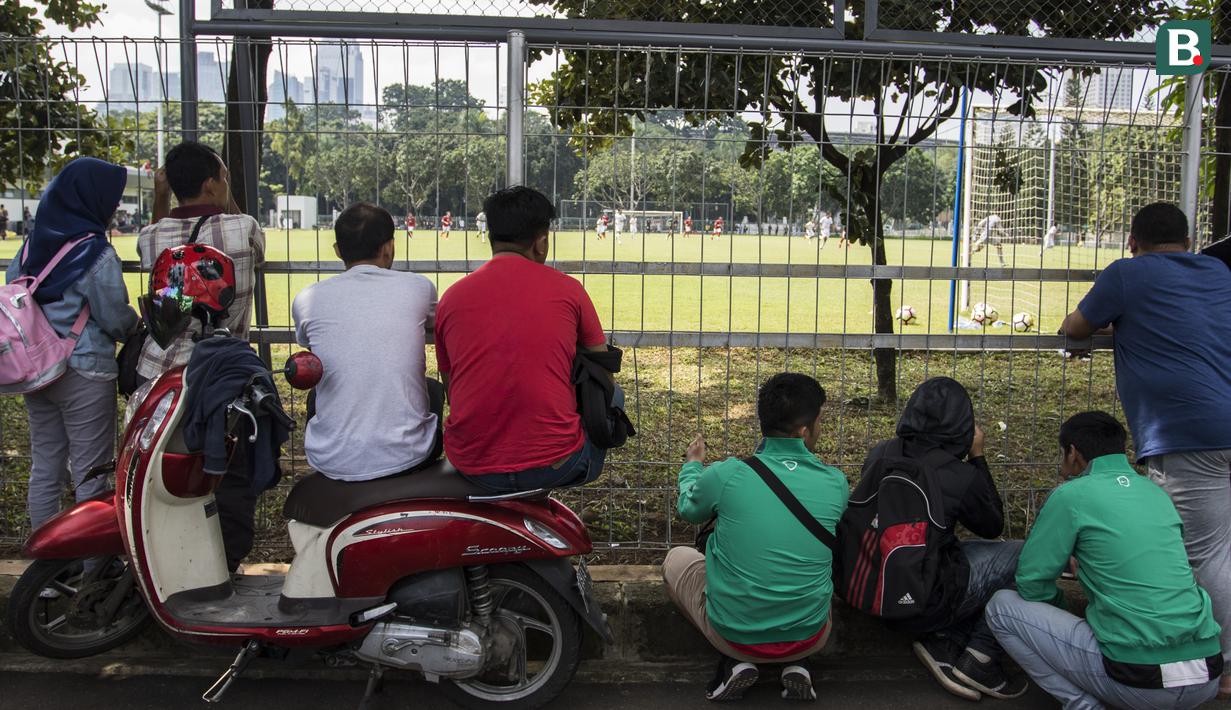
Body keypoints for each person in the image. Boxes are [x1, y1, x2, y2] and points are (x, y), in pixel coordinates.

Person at [1061, 202, 1231, 689]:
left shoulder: (1127, 275)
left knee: (1203, 553)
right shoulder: (1217, 272)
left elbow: (1076, 327)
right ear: (1189, 239)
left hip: (1189, 433)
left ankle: (1218, 668)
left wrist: (1107, 326)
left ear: (1132, 242)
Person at [986, 412, 1222, 710]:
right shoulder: (1156, 493)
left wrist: (1063, 610)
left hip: (1138, 681)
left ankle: (1083, 705)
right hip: (1206, 674)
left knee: (1000, 607)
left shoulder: (1071, 495)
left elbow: (1032, 582)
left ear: (1072, 452)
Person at [663, 373, 848, 701]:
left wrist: (692, 466)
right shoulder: (835, 483)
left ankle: (735, 660)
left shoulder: (727, 474)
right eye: (820, 421)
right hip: (810, 634)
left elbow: (688, 510)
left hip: (734, 635)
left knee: (676, 559)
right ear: (804, 431)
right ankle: (796, 661)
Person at [435, 186, 617, 493]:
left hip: (471, 464)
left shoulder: (451, 299)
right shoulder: (570, 290)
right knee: (616, 396)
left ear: (491, 236)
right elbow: (604, 374)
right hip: (557, 463)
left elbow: (452, 388)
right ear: (542, 242)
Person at [138, 140, 266, 570]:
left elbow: (155, 262)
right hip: (224, 376)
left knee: (162, 468)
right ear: (212, 182)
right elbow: (251, 244)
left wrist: (163, 197)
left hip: (163, 375)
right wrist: (222, 193)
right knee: (228, 472)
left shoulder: (152, 236)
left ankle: (166, 559)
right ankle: (225, 560)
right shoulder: (243, 228)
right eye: (222, 176)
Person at [857, 377, 1026, 701]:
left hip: (871, 591)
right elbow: (992, 525)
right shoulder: (958, 474)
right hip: (926, 602)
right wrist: (977, 456)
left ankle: (944, 639)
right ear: (963, 424)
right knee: (1027, 556)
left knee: (950, 547)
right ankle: (977, 654)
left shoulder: (880, 452)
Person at [8, 158, 139, 529]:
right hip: (86, 371)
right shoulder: (94, 253)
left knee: (46, 466)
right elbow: (115, 317)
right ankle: (94, 570)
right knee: (90, 472)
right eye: (110, 202)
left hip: (37, 370)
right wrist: (138, 328)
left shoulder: (31, 246)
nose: (114, 209)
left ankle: (47, 574)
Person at [292, 203, 440, 482]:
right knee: (431, 388)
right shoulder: (419, 288)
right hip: (409, 454)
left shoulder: (306, 299)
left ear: (337, 250)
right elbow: (434, 323)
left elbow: (314, 349)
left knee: (321, 392)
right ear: (389, 248)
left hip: (330, 458)